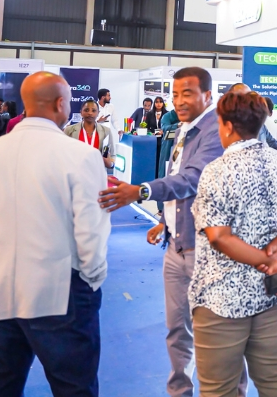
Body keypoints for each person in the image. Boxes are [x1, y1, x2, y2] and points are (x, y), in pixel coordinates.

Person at [0, 72, 110, 397]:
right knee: (74, 388)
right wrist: (92, 280)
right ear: (61, 104)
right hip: (60, 291)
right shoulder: (82, 156)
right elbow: (90, 233)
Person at [98, 68, 238, 397]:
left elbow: (194, 179)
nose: (179, 101)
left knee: (218, 335)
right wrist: (168, 220)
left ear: (208, 96)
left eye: (187, 93)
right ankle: (180, 391)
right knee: (177, 329)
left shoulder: (216, 131)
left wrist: (141, 191)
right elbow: (181, 180)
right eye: (175, 95)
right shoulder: (183, 129)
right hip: (177, 245)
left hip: (208, 250)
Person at [190, 91, 277, 397]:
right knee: (273, 377)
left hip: (223, 295)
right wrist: (275, 249)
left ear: (227, 126)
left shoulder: (218, 170)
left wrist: (267, 259)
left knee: (218, 388)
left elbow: (219, 237)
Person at [228, 84, 277, 168]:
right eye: (239, 97)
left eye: (248, 97)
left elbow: (274, 145)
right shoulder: (224, 124)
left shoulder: (258, 123)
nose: (245, 101)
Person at [65, 99, 116, 169]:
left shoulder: (106, 131)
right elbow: (63, 153)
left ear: (98, 113)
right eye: (86, 110)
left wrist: (111, 164)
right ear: (81, 113)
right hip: (75, 172)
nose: (90, 113)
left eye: (93, 111)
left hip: (97, 173)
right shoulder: (69, 130)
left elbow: (113, 155)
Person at [158, 108, 180, 179]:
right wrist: (177, 125)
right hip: (168, 145)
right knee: (165, 168)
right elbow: (165, 128)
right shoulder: (167, 116)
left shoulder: (188, 114)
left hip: (182, 145)